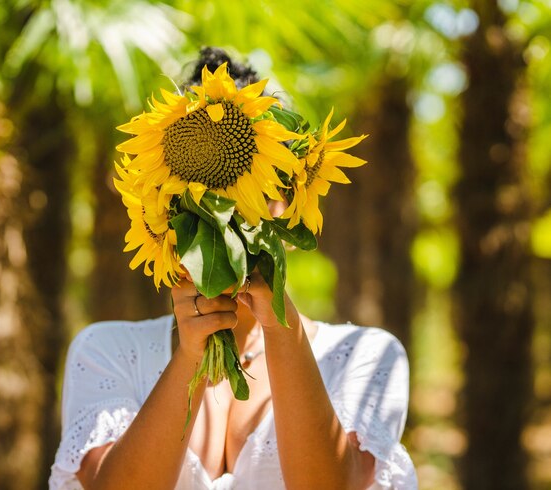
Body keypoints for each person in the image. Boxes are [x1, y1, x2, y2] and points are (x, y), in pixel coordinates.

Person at [49, 48, 417, 490]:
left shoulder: (366, 355)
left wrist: (279, 321)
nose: (229, 212)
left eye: (256, 189)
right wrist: (189, 354)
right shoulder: (106, 350)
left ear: (291, 204)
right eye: (201, 194)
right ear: (166, 208)